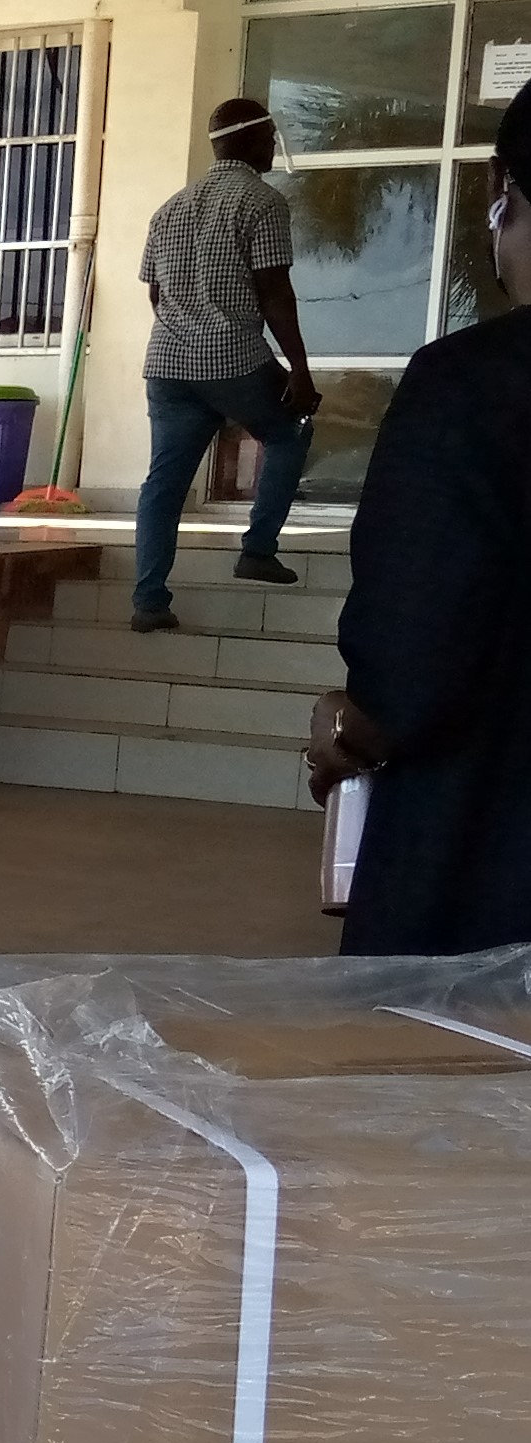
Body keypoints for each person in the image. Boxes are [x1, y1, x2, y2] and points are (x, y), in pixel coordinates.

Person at [301, 92, 531, 955]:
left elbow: (414, 652)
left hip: (483, 880)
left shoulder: (471, 390)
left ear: (501, 190)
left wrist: (350, 722)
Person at [131, 98, 320, 632]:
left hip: (167, 363)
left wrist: (183, 328)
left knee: (162, 485)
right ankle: (257, 550)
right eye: (271, 136)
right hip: (232, 358)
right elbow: (274, 292)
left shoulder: (169, 208)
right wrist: (298, 369)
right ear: (254, 138)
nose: (273, 146)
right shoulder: (262, 202)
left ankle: (149, 601)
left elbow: (156, 294)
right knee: (289, 433)